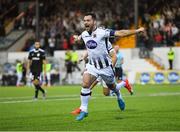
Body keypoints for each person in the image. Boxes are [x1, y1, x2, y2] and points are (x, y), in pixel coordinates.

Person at [72, 12, 144, 121]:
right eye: (84, 20)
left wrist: (136, 31)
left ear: (94, 21)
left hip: (106, 68)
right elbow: (83, 41)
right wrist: (77, 38)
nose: (86, 22)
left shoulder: (102, 33)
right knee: (85, 83)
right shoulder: (84, 34)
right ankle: (84, 110)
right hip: (92, 66)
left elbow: (120, 33)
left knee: (113, 89)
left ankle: (124, 85)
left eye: (88, 20)